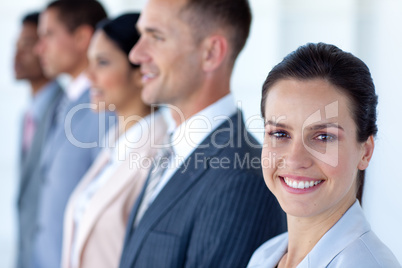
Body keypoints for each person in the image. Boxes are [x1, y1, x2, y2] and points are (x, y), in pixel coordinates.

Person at [119, 0, 286, 267]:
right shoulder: (172, 147)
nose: (136, 55)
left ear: (211, 53)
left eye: (156, 37)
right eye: (141, 36)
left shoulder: (241, 178)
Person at [247, 43, 401, 267]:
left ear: (365, 152)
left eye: (323, 137)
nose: (295, 159)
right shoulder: (263, 256)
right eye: (280, 133)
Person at [61, 13, 168, 268]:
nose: (89, 76)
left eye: (103, 62)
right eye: (90, 62)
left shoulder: (161, 150)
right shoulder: (114, 143)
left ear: (141, 70)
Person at [31, 1, 112, 268]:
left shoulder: (106, 109)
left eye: (49, 35)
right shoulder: (63, 102)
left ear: (81, 38)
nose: (39, 48)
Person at [14, 11, 64, 268]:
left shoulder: (68, 112)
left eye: (28, 44)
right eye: (17, 44)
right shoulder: (28, 115)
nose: (17, 54)